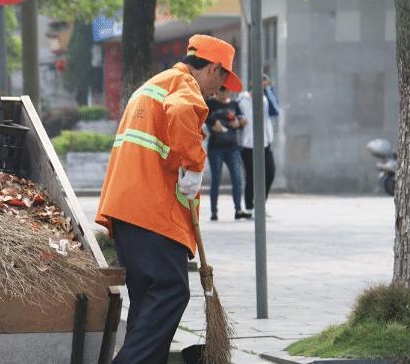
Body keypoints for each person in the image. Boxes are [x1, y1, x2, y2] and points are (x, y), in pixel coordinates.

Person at [96, 34, 242, 364]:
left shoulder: (157, 83)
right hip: (152, 214)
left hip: (128, 211)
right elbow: (180, 111)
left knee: (148, 302)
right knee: (172, 291)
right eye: (222, 79)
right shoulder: (183, 85)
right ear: (213, 68)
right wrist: (192, 165)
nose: (219, 90)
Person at [205, 86, 250, 220]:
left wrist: (240, 123)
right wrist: (213, 124)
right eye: (221, 91)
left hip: (232, 147)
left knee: (238, 177)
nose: (224, 94)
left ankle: (238, 209)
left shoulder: (234, 104)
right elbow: (205, 118)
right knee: (216, 179)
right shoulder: (211, 104)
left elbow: (242, 120)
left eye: (226, 91)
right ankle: (214, 211)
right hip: (216, 148)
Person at [238, 75, 278, 216]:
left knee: (270, 173)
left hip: (265, 143)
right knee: (251, 176)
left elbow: (275, 111)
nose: (261, 84)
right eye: (259, 81)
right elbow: (235, 114)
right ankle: (249, 207)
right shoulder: (242, 99)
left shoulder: (265, 99)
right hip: (248, 145)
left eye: (264, 81)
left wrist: (268, 89)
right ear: (251, 82)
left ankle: (260, 204)